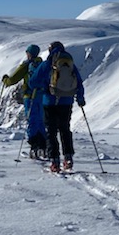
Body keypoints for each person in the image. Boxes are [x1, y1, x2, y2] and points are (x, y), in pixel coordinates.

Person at [29, 41, 85, 172]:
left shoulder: (47, 63)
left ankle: (54, 161)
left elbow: (33, 82)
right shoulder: (70, 64)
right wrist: (80, 98)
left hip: (49, 102)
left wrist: (42, 86)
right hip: (67, 102)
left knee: (51, 132)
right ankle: (68, 157)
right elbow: (79, 82)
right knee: (65, 129)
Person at [2, 44, 47, 159]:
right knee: (41, 120)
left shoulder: (27, 65)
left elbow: (13, 79)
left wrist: (6, 80)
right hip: (42, 97)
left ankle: (34, 146)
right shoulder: (43, 65)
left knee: (31, 120)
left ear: (29, 54)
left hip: (30, 96)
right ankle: (43, 146)